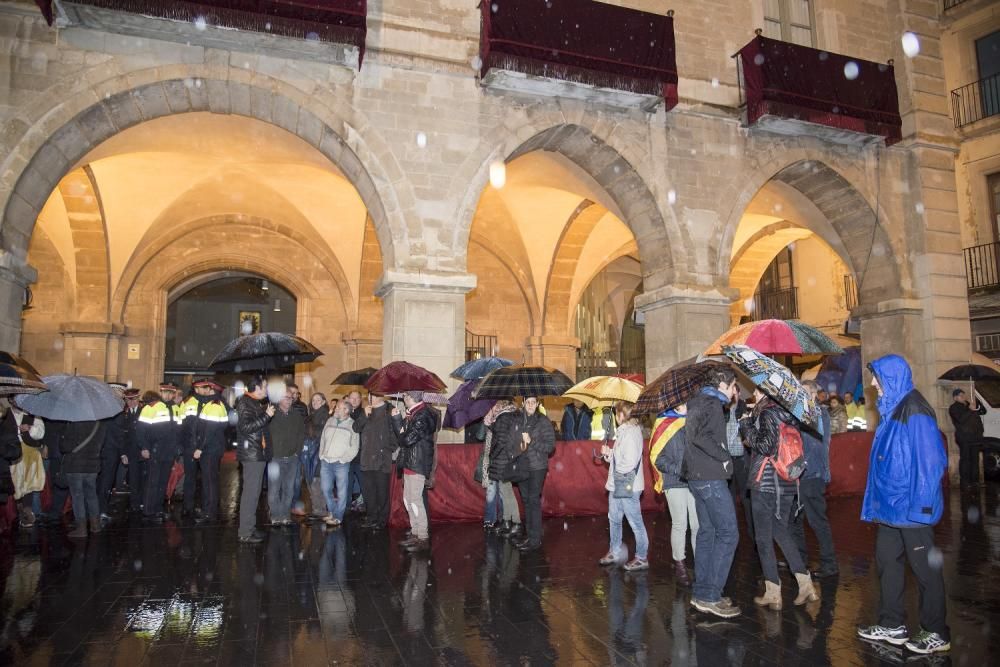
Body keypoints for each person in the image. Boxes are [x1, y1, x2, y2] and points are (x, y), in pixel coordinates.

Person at [857, 355, 950, 655]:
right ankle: (892, 623)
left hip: (910, 508)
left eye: (877, 378)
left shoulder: (915, 409)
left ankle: (936, 631)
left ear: (892, 378)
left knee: (925, 572)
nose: (873, 384)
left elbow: (930, 461)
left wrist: (922, 508)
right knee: (887, 565)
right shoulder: (893, 408)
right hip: (891, 509)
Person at [740, 387, 818, 611]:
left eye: (756, 389)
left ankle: (773, 592)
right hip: (787, 481)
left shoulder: (767, 413)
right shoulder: (790, 413)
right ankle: (804, 583)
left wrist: (746, 425)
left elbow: (765, 446)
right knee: (780, 530)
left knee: (763, 537)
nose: (753, 392)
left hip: (765, 482)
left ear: (764, 392)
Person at [685, 366, 741, 619]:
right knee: (729, 533)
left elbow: (699, 433)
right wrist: (724, 456)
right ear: (723, 385)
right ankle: (710, 596)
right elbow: (701, 437)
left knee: (707, 533)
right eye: (732, 386)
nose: (734, 391)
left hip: (697, 477)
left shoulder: (699, 399)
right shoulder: (712, 404)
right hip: (710, 477)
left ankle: (702, 592)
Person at [793, 380, 838, 578]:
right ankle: (799, 559)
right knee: (795, 519)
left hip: (813, 475)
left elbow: (812, 444)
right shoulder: (803, 413)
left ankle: (830, 564)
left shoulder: (818, 413)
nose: (799, 394)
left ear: (812, 394)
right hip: (802, 475)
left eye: (803, 391)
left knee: (817, 521)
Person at [598, 400, 648, 571]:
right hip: (619, 484)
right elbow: (622, 457)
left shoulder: (631, 433)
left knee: (635, 522)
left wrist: (615, 458)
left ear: (620, 415)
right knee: (614, 519)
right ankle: (615, 550)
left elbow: (629, 463)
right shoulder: (624, 432)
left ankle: (642, 557)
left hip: (628, 485)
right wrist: (610, 453)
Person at [651, 403, 697, 585]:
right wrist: (679, 469)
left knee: (698, 525)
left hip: (695, 479)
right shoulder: (663, 422)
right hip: (673, 480)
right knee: (680, 524)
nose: (683, 403)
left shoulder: (694, 419)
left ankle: (700, 564)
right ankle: (680, 565)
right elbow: (657, 458)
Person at [509, 396, 555, 552]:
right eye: (527, 402)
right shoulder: (517, 420)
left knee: (533, 501)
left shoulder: (543, 421)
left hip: (537, 467)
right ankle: (529, 535)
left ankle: (535, 540)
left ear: (537, 404)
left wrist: (531, 441)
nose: (530, 405)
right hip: (522, 466)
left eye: (533, 402)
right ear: (523, 403)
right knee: (526, 501)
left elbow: (550, 446)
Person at [181, 378, 228, 523]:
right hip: (200, 447)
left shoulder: (214, 405)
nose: (205, 390)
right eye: (203, 388)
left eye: (207, 388)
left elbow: (209, 431)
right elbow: (184, 426)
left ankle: (209, 512)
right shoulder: (198, 403)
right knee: (205, 480)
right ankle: (203, 509)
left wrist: (200, 447)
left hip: (208, 448)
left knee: (209, 481)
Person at [352, 393, 402, 531]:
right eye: (368, 395)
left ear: (381, 396)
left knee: (382, 492)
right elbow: (356, 428)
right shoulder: (366, 410)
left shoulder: (389, 410)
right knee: (368, 491)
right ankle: (371, 517)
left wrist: (386, 449)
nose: (370, 398)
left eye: (373, 395)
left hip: (382, 459)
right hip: (366, 458)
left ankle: (382, 520)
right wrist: (364, 414)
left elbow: (397, 436)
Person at [397, 391, 439, 553]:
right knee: (408, 500)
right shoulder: (414, 414)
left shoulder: (423, 415)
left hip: (417, 463)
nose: (403, 399)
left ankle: (422, 536)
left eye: (405, 396)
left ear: (412, 398)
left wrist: (397, 422)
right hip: (411, 462)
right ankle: (415, 532)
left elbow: (406, 440)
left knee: (415, 500)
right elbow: (405, 438)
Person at [236, 375, 275, 544]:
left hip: (258, 453)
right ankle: (245, 532)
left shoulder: (254, 402)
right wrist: (266, 415)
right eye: (264, 387)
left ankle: (249, 528)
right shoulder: (245, 402)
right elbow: (246, 427)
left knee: (254, 493)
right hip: (252, 454)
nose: (266, 390)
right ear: (257, 388)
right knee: (251, 494)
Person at [137, 384, 184, 524]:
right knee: (153, 481)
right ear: (161, 392)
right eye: (166, 393)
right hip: (155, 449)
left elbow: (179, 431)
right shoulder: (150, 407)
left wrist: (178, 448)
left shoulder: (177, 408)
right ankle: (148, 510)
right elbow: (140, 430)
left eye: (171, 393)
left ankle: (158, 508)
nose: (168, 396)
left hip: (169, 450)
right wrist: (144, 447)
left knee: (163, 481)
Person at [59, 419, 107, 538]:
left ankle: (81, 528)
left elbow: (65, 446)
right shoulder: (100, 423)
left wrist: (62, 438)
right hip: (93, 465)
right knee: (92, 495)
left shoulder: (74, 423)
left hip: (75, 465)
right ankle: (95, 525)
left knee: (77, 496)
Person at [267, 386, 306, 526]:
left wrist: (297, 451)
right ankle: (275, 515)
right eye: (286, 397)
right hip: (275, 458)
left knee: (289, 489)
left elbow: (302, 434)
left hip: (292, 458)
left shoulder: (296, 415)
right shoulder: (271, 414)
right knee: (274, 489)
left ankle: (285, 514)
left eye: (290, 397)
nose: (289, 400)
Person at [2, 401, 45, 528]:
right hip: (12, 453)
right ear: (10, 400)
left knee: (29, 483)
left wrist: (30, 428)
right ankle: (19, 509)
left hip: (30, 454)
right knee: (15, 482)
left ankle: (27, 510)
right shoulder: (5, 413)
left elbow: (41, 432)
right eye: (15, 400)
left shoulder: (32, 414)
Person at [318, 399, 359, 527]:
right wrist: (321, 454)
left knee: (341, 491)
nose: (335, 409)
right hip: (326, 461)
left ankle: (338, 517)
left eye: (338, 407)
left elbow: (355, 447)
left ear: (346, 410)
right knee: (325, 489)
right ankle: (332, 511)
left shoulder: (353, 425)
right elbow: (323, 439)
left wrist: (344, 459)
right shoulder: (330, 420)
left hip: (341, 463)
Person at [482, 399, 520, 534]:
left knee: (507, 494)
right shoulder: (509, 416)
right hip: (505, 461)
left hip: (502, 461)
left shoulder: (504, 417)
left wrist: (493, 455)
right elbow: (501, 434)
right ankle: (507, 522)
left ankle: (514, 522)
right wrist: (491, 424)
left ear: (503, 404)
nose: (496, 406)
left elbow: (501, 439)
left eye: (498, 404)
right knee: (506, 492)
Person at [948, 388, 986, 487]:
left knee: (975, 459)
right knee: (966, 459)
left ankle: (975, 481)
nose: (964, 397)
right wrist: (970, 410)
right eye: (961, 395)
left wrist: (977, 404)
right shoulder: (954, 408)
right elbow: (961, 419)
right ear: (955, 397)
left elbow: (982, 411)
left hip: (975, 437)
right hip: (964, 437)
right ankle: (965, 482)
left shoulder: (969, 405)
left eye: (964, 395)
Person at [302, 392, 330, 520]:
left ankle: (320, 510)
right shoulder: (311, 415)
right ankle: (316, 508)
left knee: (316, 481)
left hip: (318, 453)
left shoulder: (324, 415)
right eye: (313, 400)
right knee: (311, 480)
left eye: (318, 400)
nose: (315, 402)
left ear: (324, 401)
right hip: (310, 452)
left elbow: (321, 433)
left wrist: (309, 430)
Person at [345, 390, 365, 511]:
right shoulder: (344, 412)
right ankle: (345, 507)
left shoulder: (364, 413)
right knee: (346, 484)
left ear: (360, 400)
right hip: (346, 456)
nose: (354, 400)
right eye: (352, 398)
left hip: (360, 455)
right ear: (348, 399)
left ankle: (365, 506)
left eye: (357, 398)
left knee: (364, 484)